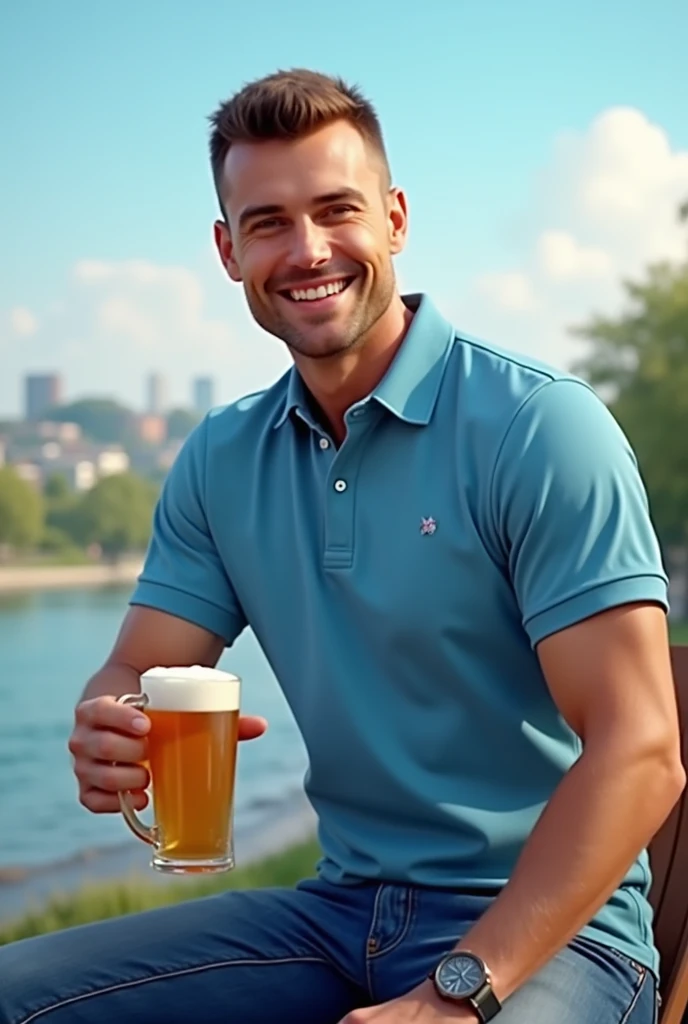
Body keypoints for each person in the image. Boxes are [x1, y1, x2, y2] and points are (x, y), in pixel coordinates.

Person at [0, 68, 683, 1024]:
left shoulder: (538, 427)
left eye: (337, 210)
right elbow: (136, 669)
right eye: (268, 221)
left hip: (554, 937)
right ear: (227, 249)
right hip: (338, 912)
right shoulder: (221, 458)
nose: (307, 249)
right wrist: (105, 723)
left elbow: (643, 751)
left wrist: (456, 994)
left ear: (396, 219)